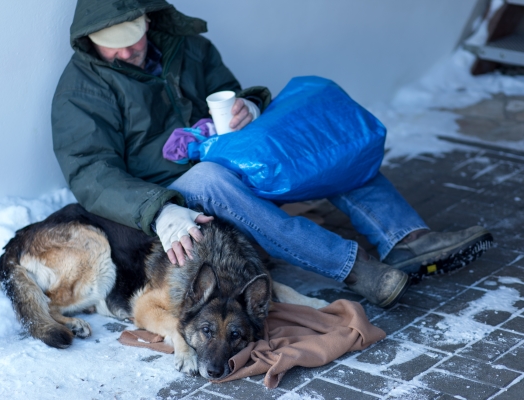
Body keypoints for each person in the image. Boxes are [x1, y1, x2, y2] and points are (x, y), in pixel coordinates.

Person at [51, 0, 492, 308]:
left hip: (223, 151)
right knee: (208, 179)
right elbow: (91, 171)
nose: (125, 51)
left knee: (314, 143)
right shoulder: (80, 90)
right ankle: (356, 270)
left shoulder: (190, 48)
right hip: (168, 190)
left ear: (149, 19)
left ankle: (405, 240)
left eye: (132, 36)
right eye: (111, 42)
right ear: (88, 39)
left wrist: (249, 107)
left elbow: (229, 91)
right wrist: (159, 210)